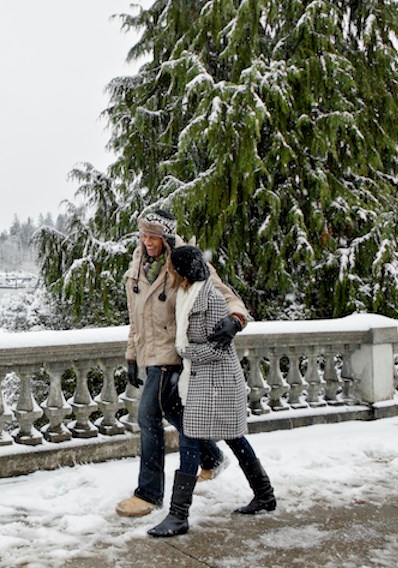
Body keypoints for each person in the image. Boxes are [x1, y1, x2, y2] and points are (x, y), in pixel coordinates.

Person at [116, 209, 250, 517]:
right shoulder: (136, 266)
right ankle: (213, 457)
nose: (148, 241)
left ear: (166, 236)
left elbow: (224, 294)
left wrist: (236, 319)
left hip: (175, 355)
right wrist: (132, 356)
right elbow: (135, 319)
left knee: (148, 419)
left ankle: (149, 493)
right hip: (150, 356)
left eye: (154, 236)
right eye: (144, 235)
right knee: (177, 413)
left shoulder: (185, 261)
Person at [148, 245, 276, 537]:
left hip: (216, 381)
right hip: (204, 380)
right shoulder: (187, 294)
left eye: (172, 267)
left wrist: (186, 350)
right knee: (234, 437)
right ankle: (265, 494)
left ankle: (178, 515)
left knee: (191, 441)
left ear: (183, 272)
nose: (168, 270)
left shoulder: (211, 299)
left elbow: (220, 349)